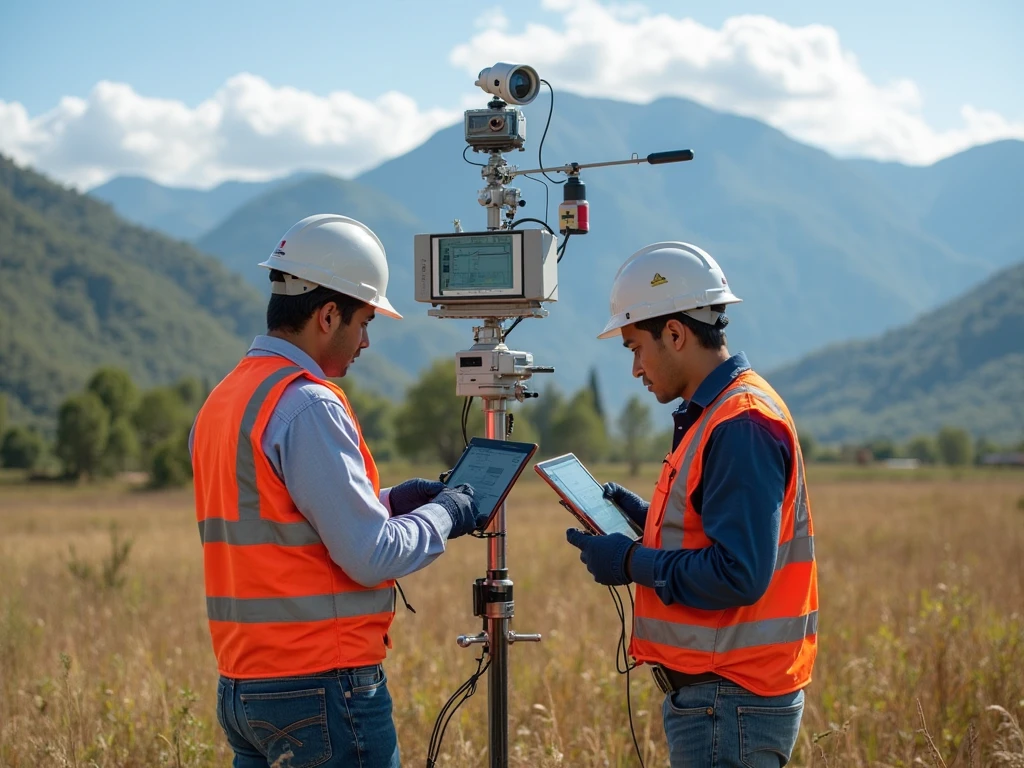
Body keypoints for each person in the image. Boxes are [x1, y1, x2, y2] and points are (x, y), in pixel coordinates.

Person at [190, 214, 483, 768]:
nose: (366, 341)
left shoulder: (225, 400)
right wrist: (447, 512)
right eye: (365, 321)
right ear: (327, 316)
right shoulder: (308, 403)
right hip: (319, 686)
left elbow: (282, 519)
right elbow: (371, 556)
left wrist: (389, 502)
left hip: (244, 688)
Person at [565, 242, 817, 767]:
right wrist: (644, 518)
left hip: (730, 700)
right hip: (723, 700)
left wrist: (630, 562)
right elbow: (713, 530)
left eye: (635, 347)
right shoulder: (719, 414)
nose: (636, 368)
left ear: (676, 334)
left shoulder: (740, 424)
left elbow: (739, 574)